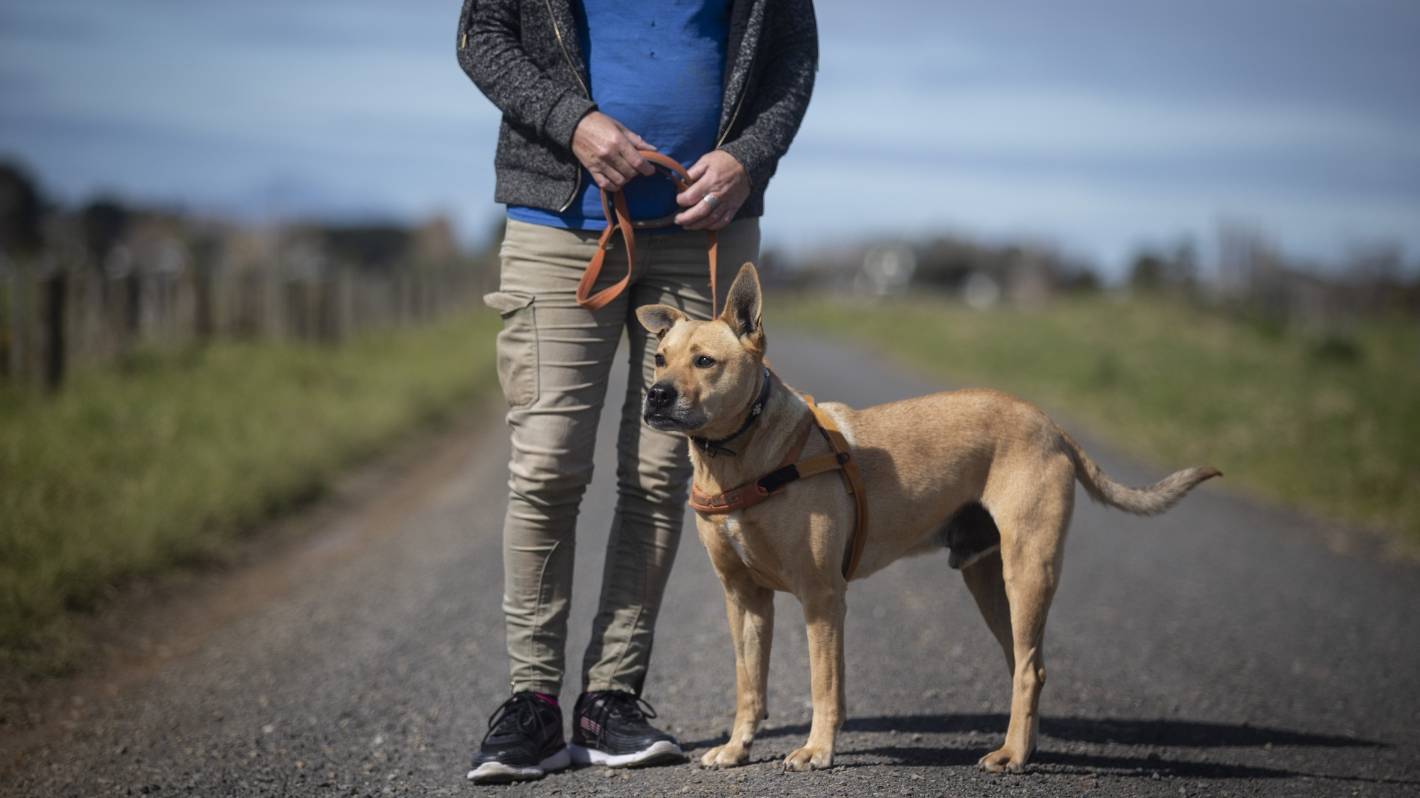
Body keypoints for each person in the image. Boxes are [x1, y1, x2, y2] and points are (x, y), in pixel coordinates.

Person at [456, 0, 817, 783]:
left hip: (708, 231)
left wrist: (749, 158)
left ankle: (610, 700)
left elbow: (791, 56)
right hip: (559, 223)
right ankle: (533, 706)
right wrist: (575, 121)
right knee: (548, 464)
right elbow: (480, 35)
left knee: (660, 477)